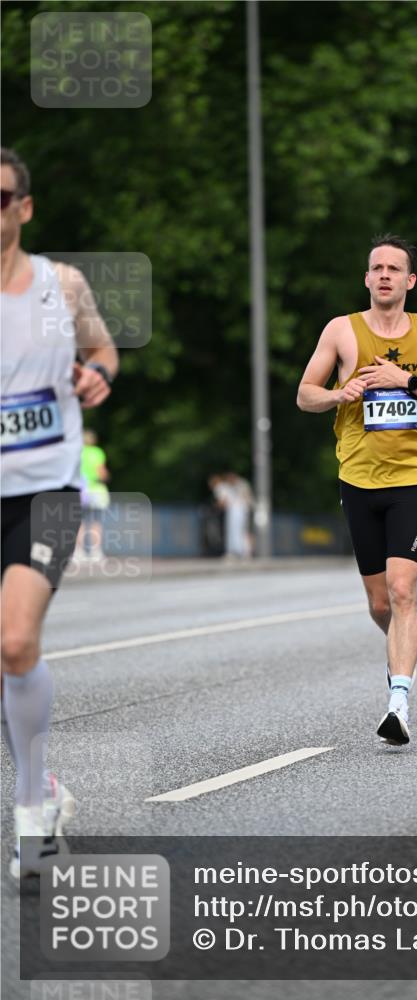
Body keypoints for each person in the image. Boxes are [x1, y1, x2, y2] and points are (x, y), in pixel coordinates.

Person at [297, 233, 417, 745]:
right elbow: (305, 395)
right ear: (367, 278)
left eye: (395, 268)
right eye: (377, 268)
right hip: (358, 481)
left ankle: (399, 701)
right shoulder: (341, 331)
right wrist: (337, 394)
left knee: (402, 591)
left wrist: (407, 381)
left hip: (413, 481)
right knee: (380, 605)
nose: (385, 275)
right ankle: (403, 650)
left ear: (410, 281)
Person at [1, 147, 118, 878]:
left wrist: (98, 373)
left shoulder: (60, 285)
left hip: (47, 489)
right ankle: (43, 784)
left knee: (15, 643)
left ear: (23, 207)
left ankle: (31, 816)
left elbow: (104, 349)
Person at [75, 429, 111, 562]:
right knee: (96, 522)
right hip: (96, 490)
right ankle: (95, 552)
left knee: (80, 522)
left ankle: (79, 552)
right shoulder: (97, 452)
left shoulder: (77, 452)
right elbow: (101, 472)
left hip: (81, 490)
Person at [210, 471, 255, 559]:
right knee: (236, 530)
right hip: (239, 510)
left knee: (240, 530)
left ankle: (242, 551)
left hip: (241, 510)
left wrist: (216, 507)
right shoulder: (229, 486)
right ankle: (239, 551)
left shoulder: (239, 484)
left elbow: (223, 501)